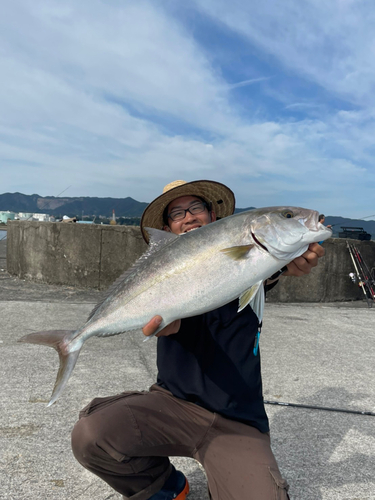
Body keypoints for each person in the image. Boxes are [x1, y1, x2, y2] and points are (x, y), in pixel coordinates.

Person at [71, 180, 325, 500]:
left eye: (196, 208)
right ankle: (166, 486)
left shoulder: (250, 268)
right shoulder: (167, 278)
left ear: (213, 215)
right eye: (177, 213)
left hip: (238, 421)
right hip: (172, 404)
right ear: (169, 228)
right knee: (91, 436)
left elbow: (260, 267)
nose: (188, 217)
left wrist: (287, 261)